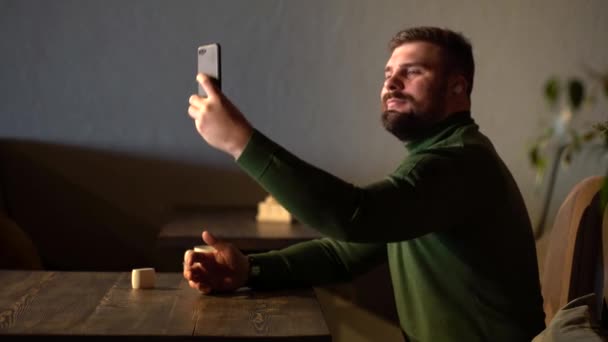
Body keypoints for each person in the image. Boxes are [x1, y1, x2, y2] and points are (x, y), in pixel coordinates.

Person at [184, 26, 546, 341]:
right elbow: (342, 253)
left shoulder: (461, 163)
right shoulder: (437, 163)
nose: (391, 82)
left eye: (412, 72)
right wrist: (250, 269)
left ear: (457, 87)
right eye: (388, 73)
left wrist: (240, 142)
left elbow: (355, 216)